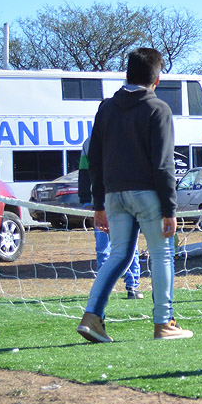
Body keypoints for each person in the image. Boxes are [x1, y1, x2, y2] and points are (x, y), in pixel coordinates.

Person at [77, 48, 192, 342]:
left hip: (114, 195)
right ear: (157, 79)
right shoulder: (158, 109)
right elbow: (163, 164)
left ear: (127, 74)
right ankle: (164, 322)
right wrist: (170, 209)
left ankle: (92, 316)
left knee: (118, 255)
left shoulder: (106, 107)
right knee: (162, 254)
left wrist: (98, 203)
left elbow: (95, 158)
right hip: (149, 195)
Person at [77, 137, 143, 299]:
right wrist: (85, 200)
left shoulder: (128, 138)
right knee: (103, 248)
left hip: (125, 203)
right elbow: (84, 173)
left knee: (130, 245)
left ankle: (132, 286)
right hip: (101, 205)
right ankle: (104, 286)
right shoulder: (89, 143)